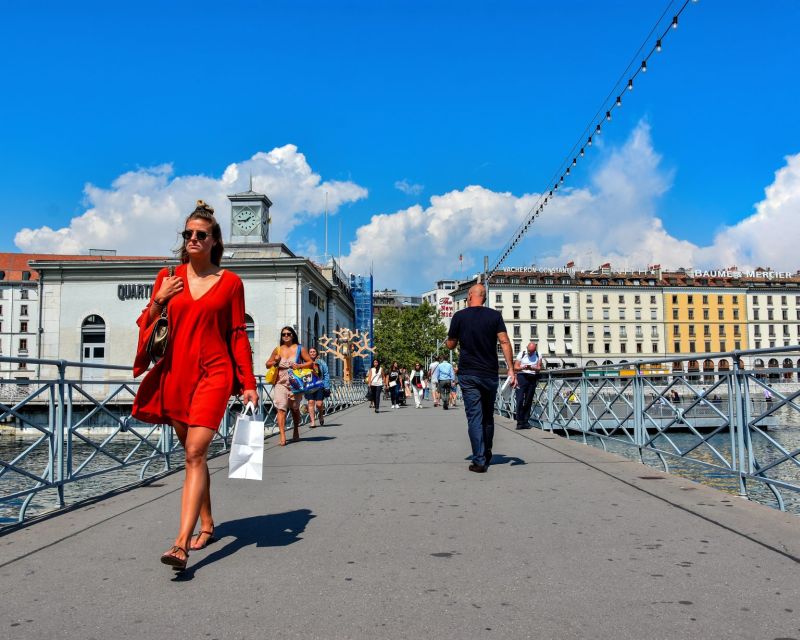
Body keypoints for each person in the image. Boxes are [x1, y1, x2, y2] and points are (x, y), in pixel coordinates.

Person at [132, 200, 258, 571]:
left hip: (215, 373)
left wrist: (248, 382)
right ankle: (207, 523)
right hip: (176, 374)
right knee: (193, 455)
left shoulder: (231, 283)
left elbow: (237, 334)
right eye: (187, 234)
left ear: (214, 240)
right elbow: (145, 323)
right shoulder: (168, 277)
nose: (192, 239)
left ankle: (180, 545)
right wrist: (159, 300)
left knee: (195, 452)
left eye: (200, 234)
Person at [446, 284, 515, 473]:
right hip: (490, 373)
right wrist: (511, 369)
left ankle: (479, 459)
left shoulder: (459, 317)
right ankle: (488, 451)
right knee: (487, 416)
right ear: (484, 298)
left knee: (474, 417)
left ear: (469, 296)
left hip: (468, 374)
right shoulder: (494, 316)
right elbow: (504, 341)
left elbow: (451, 344)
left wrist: (448, 341)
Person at [265, 326, 313, 446]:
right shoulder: (278, 349)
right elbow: (267, 364)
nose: (286, 336)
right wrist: (275, 361)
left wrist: (299, 366)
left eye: (288, 334)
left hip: (295, 384)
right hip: (280, 383)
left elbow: (310, 362)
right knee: (281, 408)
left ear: (293, 335)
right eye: (283, 334)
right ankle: (282, 434)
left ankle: (296, 428)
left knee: (295, 409)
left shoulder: (300, 348)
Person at [513, 342, 543, 429]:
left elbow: (539, 368)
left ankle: (525, 421)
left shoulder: (538, 354)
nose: (530, 353)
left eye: (532, 351)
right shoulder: (521, 354)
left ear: (535, 350)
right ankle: (519, 422)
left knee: (528, 400)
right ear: (527, 348)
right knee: (519, 400)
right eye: (529, 351)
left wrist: (532, 368)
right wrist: (523, 367)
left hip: (532, 377)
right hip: (522, 377)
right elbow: (516, 367)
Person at [306, 347, 330, 427]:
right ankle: (312, 422)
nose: (312, 353)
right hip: (309, 385)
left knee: (319, 404)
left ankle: (320, 415)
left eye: (314, 352)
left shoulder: (321, 362)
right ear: (308, 353)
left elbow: (326, 374)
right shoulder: (305, 362)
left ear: (316, 353)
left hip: (320, 385)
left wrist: (326, 386)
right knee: (311, 402)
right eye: (311, 352)